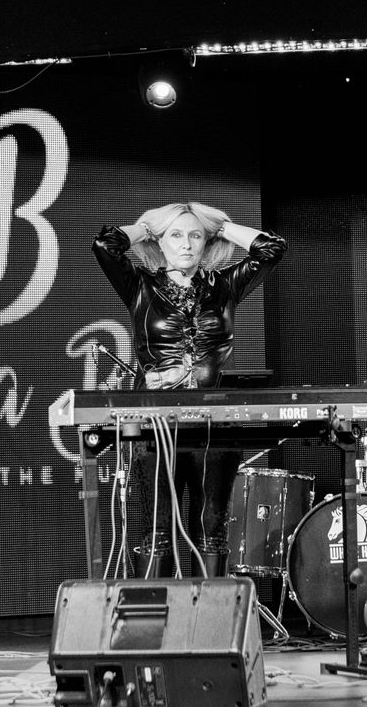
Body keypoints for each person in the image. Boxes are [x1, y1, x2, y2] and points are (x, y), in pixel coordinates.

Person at [93, 202, 286, 576]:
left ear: (206, 243)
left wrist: (221, 227)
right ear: (160, 242)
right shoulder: (140, 285)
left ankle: (211, 612)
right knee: (157, 531)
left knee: (211, 530)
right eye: (176, 235)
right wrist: (148, 228)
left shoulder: (225, 285)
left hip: (214, 424)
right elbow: (105, 246)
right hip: (154, 424)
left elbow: (272, 249)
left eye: (195, 236)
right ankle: (157, 613)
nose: (186, 244)